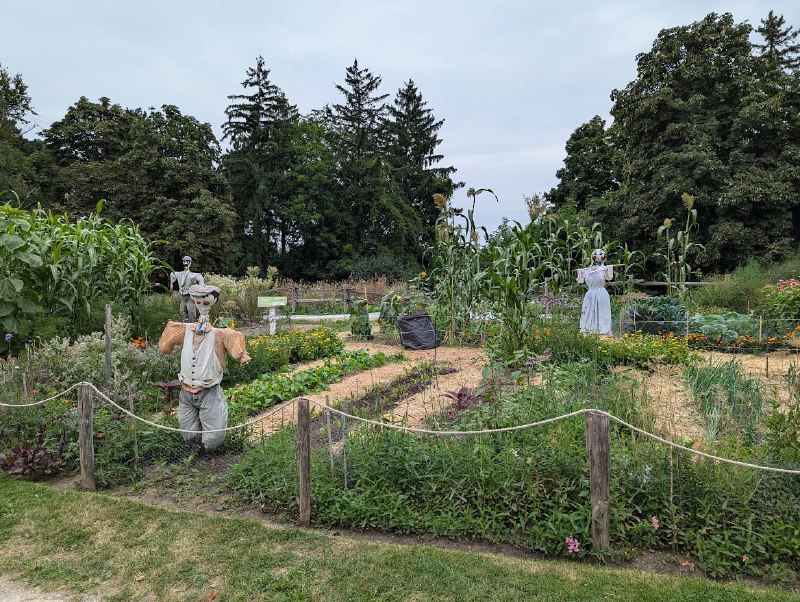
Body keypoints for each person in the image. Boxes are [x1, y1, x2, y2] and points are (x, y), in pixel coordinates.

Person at [158, 284, 250, 452]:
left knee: (214, 436)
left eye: (205, 301)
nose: (201, 303)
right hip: (186, 390)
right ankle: (196, 451)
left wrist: (241, 355)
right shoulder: (185, 330)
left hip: (209, 390)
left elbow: (236, 346)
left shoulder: (218, 334)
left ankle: (209, 452)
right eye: (197, 300)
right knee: (188, 433)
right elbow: (165, 347)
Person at [577, 248, 614, 336]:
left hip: (601, 293)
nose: (598, 256)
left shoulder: (604, 269)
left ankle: (603, 330)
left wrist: (609, 269)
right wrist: (581, 272)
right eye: (596, 254)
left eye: (600, 254)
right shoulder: (586, 271)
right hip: (590, 294)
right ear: (592, 257)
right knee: (588, 311)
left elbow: (609, 278)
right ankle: (588, 329)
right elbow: (580, 281)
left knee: (602, 311)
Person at [169, 255, 205, 322]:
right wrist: (171, 285)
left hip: (190, 295)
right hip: (183, 295)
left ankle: (191, 322)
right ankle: (183, 321)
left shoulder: (193, 275)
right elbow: (172, 274)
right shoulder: (180, 274)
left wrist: (200, 288)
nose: (185, 263)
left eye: (187, 262)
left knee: (190, 309)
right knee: (182, 310)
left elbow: (200, 279)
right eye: (184, 262)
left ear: (190, 263)